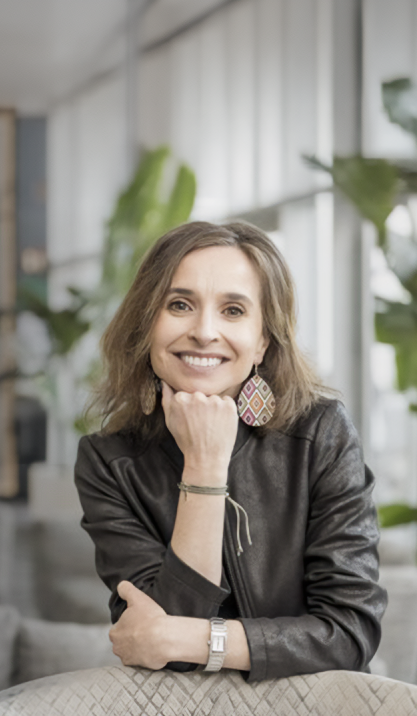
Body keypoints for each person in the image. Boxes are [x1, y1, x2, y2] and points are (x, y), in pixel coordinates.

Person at [75, 220, 385, 681]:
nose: (204, 331)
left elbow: (349, 631)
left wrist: (197, 639)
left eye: (233, 310)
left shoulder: (320, 434)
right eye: (179, 305)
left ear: (262, 340)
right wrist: (204, 464)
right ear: (147, 323)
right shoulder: (108, 463)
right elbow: (170, 659)